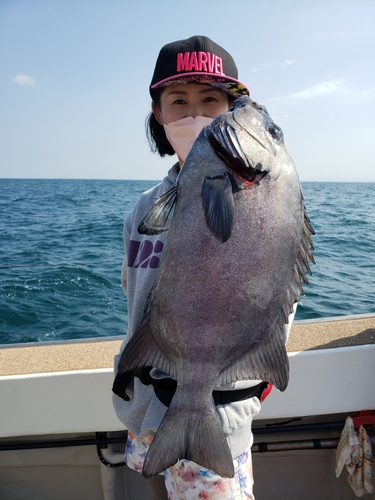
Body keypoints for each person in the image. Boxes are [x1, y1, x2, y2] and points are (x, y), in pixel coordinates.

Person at [112, 35, 294, 500]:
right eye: (179, 100)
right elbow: (135, 299)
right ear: (159, 113)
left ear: (234, 109)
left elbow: (279, 286)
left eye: (210, 100)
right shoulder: (143, 208)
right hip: (147, 412)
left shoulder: (264, 190)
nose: (194, 113)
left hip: (216, 414)